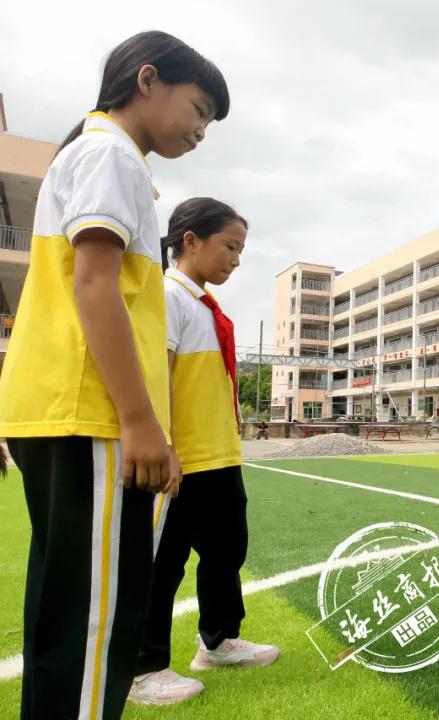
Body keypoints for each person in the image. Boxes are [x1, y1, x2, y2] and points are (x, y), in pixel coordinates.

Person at [0, 31, 229, 720]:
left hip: (64, 410)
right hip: (89, 413)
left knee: (64, 612)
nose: (200, 130)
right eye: (198, 109)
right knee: (97, 623)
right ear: (148, 80)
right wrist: (139, 421)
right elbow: (96, 288)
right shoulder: (111, 155)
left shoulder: (96, 155)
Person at [127, 199, 279, 704]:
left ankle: (216, 641)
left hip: (219, 457)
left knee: (227, 550)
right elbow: (157, 374)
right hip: (179, 460)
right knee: (162, 563)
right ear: (190, 240)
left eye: (240, 250)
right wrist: (164, 447)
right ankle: (142, 668)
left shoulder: (203, 305)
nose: (236, 260)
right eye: (230, 246)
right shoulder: (167, 297)